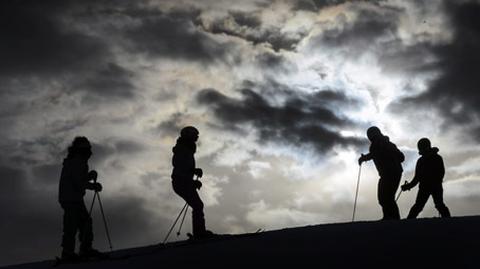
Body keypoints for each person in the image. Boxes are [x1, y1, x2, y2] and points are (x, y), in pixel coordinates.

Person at [58, 136, 104, 261]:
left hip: (73, 198)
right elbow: (78, 183)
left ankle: (84, 249)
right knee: (72, 225)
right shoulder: (76, 162)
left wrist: (89, 176)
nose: (89, 152)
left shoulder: (78, 161)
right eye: (87, 149)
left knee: (84, 222)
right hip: (70, 198)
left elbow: (79, 180)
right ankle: (69, 253)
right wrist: (93, 185)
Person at [171, 126, 215, 239]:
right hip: (181, 182)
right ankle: (199, 233)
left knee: (197, 205)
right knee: (198, 205)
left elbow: (183, 168)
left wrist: (193, 174)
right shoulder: (183, 150)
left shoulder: (185, 149)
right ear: (189, 136)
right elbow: (180, 167)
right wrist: (192, 176)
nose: (196, 138)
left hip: (181, 182)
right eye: (195, 136)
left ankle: (199, 232)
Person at [358, 126, 405, 220]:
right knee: (386, 197)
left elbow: (400, 157)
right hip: (391, 173)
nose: (371, 137)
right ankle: (391, 217)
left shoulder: (381, 144)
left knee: (386, 197)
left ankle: (392, 218)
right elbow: (401, 157)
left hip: (390, 173)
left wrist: (364, 158)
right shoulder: (386, 144)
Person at [401, 138, 451, 218]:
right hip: (430, 186)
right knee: (432, 205)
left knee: (423, 206)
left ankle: (408, 222)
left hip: (431, 186)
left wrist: (409, 186)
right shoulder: (427, 159)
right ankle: (448, 220)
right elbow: (417, 177)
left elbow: (440, 173)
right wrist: (408, 186)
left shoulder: (427, 159)